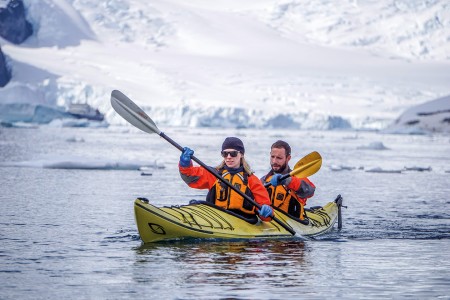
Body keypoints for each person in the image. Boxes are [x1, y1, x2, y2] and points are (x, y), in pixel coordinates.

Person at [179, 137, 273, 222]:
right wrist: (185, 163)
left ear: (241, 155)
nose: (228, 157)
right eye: (225, 153)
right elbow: (189, 176)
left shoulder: (252, 180)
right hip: (217, 218)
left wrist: (266, 212)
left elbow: (267, 215)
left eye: (233, 153)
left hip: (243, 220)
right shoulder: (214, 174)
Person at [260, 140, 315, 220]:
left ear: (288, 158)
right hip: (269, 222)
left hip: (294, 223)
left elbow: (310, 191)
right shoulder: (264, 180)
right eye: (272, 157)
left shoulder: (297, 178)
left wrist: (287, 181)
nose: (274, 161)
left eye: (279, 158)